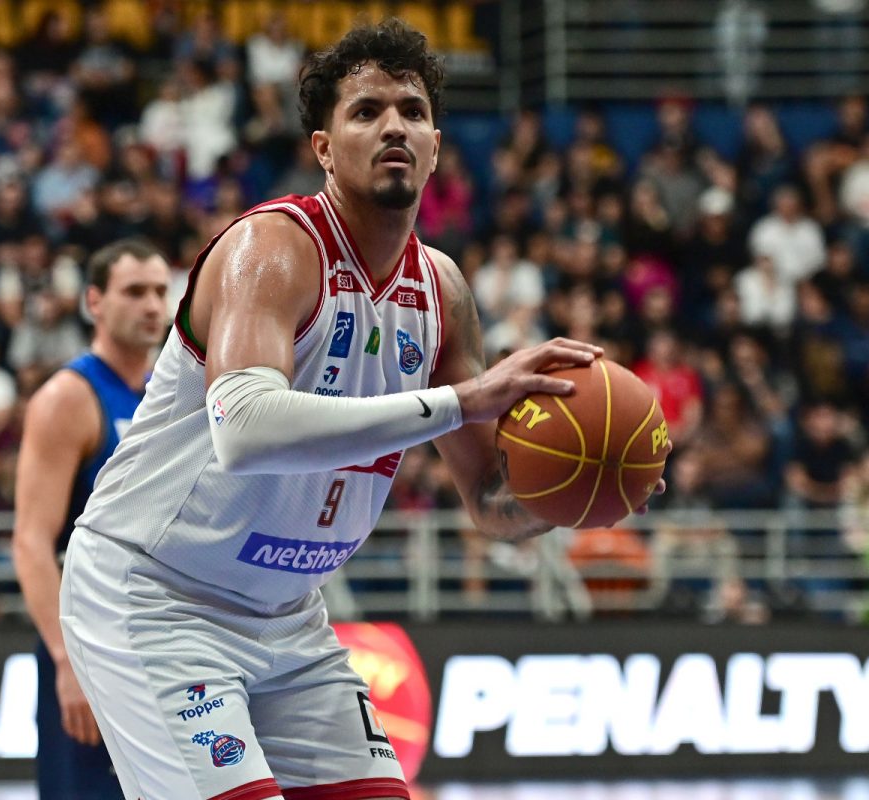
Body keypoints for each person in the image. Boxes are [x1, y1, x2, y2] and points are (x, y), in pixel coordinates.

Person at [59, 20, 663, 800]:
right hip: (155, 594)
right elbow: (243, 429)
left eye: (412, 111)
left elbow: (490, 504)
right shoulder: (272, 248)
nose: (393, 127)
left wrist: (585, 493)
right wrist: (460, 401)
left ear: (436, 146)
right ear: (323, 147)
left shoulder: (441, 291)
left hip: (285, 615)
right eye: (367, 111)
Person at [12, 239, 169, 799]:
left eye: (160, 292)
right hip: (92, 643)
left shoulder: (172, 394)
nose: (152, 306)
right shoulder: (68, 397)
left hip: (167, 639)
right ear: (94, 301)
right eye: (135, 292)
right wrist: (66, 658)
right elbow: (31, 543)